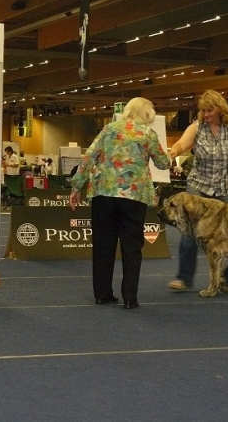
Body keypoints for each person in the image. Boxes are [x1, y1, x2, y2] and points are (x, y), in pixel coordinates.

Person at [69, 97, 170, 309]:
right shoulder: (148, 134)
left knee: (103, 245)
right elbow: (163, 163)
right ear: (147, 114)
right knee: (132, 248)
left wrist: (77, 186)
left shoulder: (109, 128)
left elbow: (89, 157)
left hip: (103, 193)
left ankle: (102, 294)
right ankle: (130, 297)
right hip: (134, 196)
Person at [167, 89, 228, 294]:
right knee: (189, 231)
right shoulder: (197, 127)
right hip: (200, 186)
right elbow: (182, 143)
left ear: (220, 108)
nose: (206, 114)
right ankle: (183, 278)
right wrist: (174, 151)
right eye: (203, 110)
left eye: (210, 110)